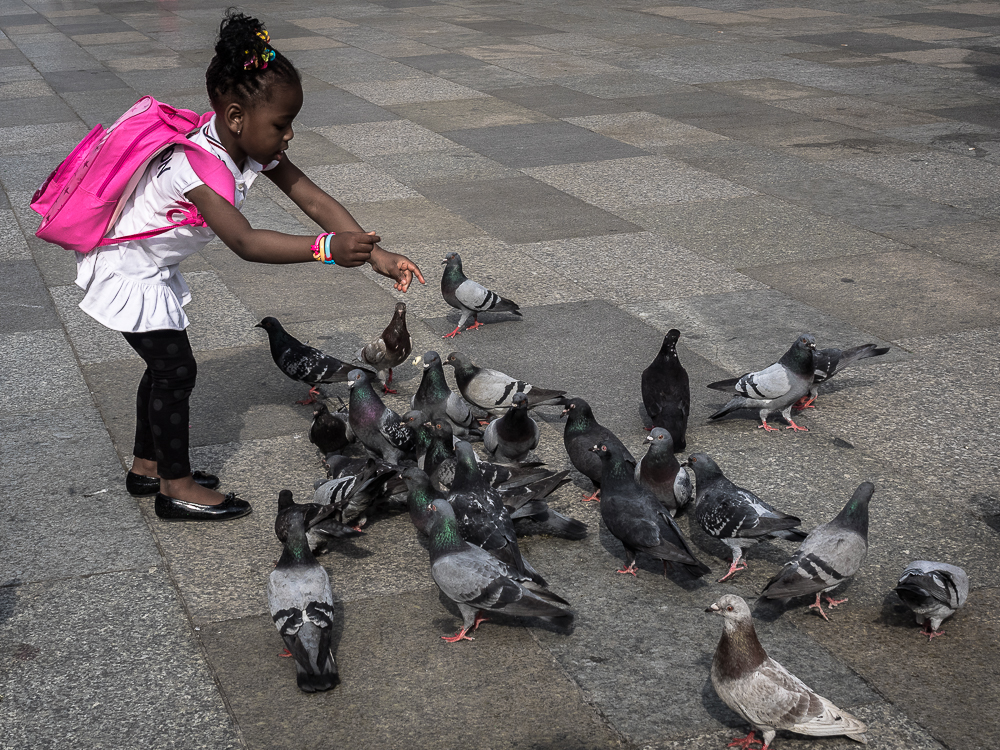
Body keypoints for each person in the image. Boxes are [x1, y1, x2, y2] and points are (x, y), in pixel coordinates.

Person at [75, 10, 424, 521]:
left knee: (165, 368)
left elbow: (311, 196)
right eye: (281, 125)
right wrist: (327, 249)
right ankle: (175, 485)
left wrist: (373, 252)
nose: (288, 137)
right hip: (125, 268)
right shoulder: (195, 165)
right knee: (175, 371)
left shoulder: (247, 144)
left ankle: (148, 466)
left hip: (149, 264)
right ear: (236, 117)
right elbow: (245, 241)